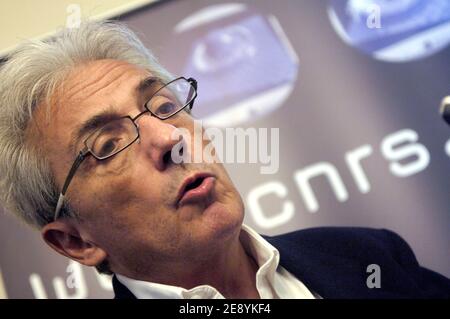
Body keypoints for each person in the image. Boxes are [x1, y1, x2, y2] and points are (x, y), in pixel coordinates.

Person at [0, 20, 448, 299]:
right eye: (108, 145)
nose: (171, 137)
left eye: (163, 106)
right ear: (75, 241)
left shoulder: (369, 258)